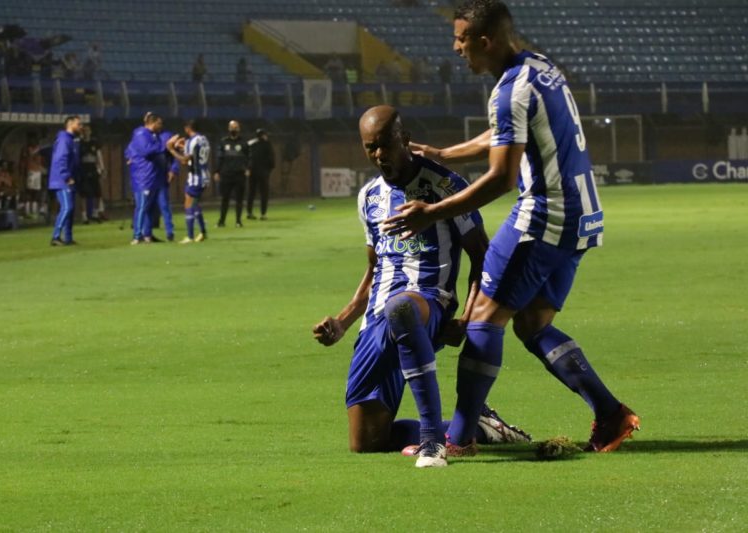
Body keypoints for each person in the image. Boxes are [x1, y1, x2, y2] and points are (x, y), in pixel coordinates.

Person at [382, 0, 639, 454]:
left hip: (543, 216)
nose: (456, 47)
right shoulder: (539, 68)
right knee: (534, 325)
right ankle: (611, 413)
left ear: (487, 40)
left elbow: (501, 177)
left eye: (461, 39)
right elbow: (502, 133)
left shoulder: (508, 91)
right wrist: (445, 154)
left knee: (483, 318)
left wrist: (431, 212)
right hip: (584, 216)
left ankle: (457, 439)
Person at [313, 105, 530, 468]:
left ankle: (432, 442)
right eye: (370, 148)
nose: (378, 154)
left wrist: (467, 315)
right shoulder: (369, 197)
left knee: (400, 307)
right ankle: (473, 426)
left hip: (429, 300)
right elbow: (374, 268)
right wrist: (343, 321)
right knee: (366, 442)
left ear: (405, 139)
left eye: (385, 144)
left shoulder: (444, 185)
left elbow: (482, 255)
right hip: (378, 319)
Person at [166, 119, 211, 244]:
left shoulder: (192, 141)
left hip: (196, 177)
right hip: (203, 174)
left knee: (189, 205)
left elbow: (184, 160)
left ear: (188, 128)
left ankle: (190, 236)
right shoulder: (203, 139)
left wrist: (171, 149)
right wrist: (182, 146)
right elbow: (195, 154)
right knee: (194, 204)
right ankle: (202, 232)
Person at [125, 112, 165, 245]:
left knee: (149, 208)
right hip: (143, 177)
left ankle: (147, 234)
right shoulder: (141, 134)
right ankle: (137, 236)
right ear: (152, 123)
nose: (161, 126)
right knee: (141, 206)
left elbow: (129, 150)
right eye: (159, 123)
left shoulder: (153, 135)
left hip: (152, 176)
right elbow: (146, 151)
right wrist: (164, 146)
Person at [48, 115, 82, 246]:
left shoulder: (72, 140)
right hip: (62, 180)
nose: (81, 126)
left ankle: (68, 237)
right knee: (67, 207)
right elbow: (60, 160)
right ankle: (55, 236)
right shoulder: (64, 140)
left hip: (69, 179)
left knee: (71, 209)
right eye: (78, 124)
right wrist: (66, 176)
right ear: (70, 124)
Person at [214, 120, 250, 228]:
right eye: (232, 127)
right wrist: (217, 171)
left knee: (239, 199)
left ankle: (238, 221)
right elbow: (220, 158)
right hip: (226, 175)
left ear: (239, 129)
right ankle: (221, 221)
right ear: (228, 129)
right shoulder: (223, 142)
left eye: (236, 127)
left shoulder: (244, 143)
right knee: (225, 199)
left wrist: (248, 168)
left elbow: (249, 157)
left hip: (239, 174)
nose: (234, 129)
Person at [155, 130, 179, 241]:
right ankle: (143, 233)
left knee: (164, 204)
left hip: (160, 176)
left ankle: (169, 231)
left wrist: (173, 170)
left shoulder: (166, 136)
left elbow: (173, 154)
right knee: (144, 206)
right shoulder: (143, 136)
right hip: (146, 178)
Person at [78, 125, 105, 224]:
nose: (86, 132)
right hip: (84, 168)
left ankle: (95, 213)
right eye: (84, 131)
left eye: (88, 131)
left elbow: (98, 155)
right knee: (84, 194)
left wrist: (102, 168)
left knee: (97, 192)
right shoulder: (80, 143)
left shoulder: (94, 142)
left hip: (93, 167)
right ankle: (84, 216)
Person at [246, 129, 275, 221]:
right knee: (264, 193)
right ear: (263, 135)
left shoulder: (250, 144)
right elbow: (271, 159)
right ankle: (263, 214)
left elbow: (246, 157)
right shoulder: (267, 144)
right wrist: (269, 170)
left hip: (252, 172)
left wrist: (247, 168)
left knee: (251, 193)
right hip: (263, 172)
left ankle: (249, 212)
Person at [19, 134, 45, 218]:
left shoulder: (39, 149)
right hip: (30, 171)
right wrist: (22, 171)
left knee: (36, 192)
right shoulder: (26, 149)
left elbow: (41, 161)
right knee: (29, 191)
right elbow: (24, 160)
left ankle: (34, 211)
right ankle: (27, 211)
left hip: (37, 172)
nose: (34, 140)